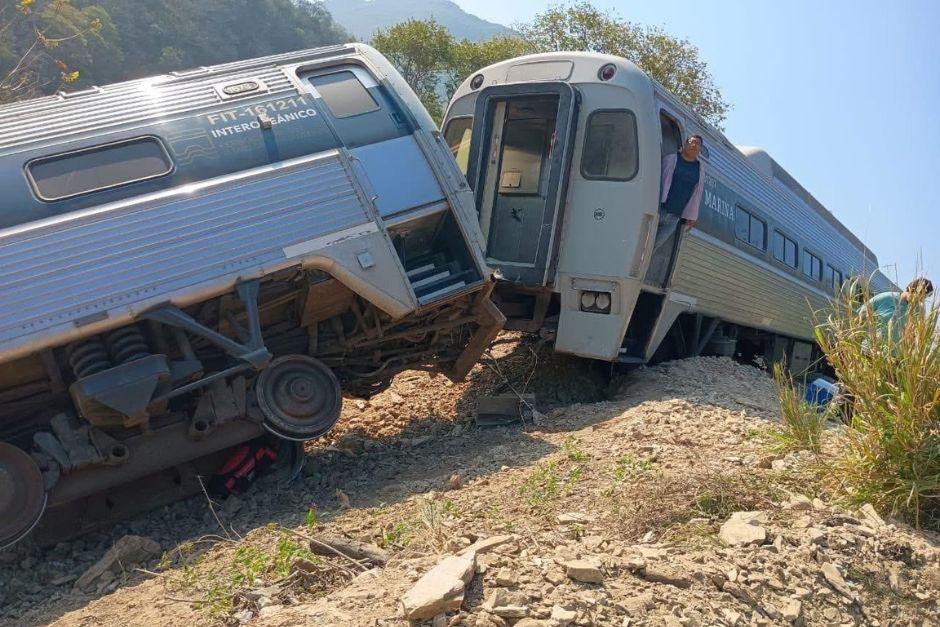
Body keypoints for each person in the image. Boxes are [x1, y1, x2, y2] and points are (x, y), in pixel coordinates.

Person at [647, 135, 706, 284]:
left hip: (674, 217)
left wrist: (692, 216)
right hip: (658, 208)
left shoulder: (700, 169)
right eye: (692, 142)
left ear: (700, 149)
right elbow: (657, 178)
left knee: (654, 246)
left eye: (698, 144)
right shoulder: (672, 159)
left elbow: (697, 193)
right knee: (644, 241)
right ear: (686, 144)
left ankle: (639, 273)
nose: (694, 145)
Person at [864, 277, 933, 343]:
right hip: (869, 349)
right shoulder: (886, 297)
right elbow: (861, 315)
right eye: (920, 297)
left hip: (892, 354)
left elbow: (916, 335)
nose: (920, 301)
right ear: (912, 289)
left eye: (923, 299)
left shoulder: (917, 311)